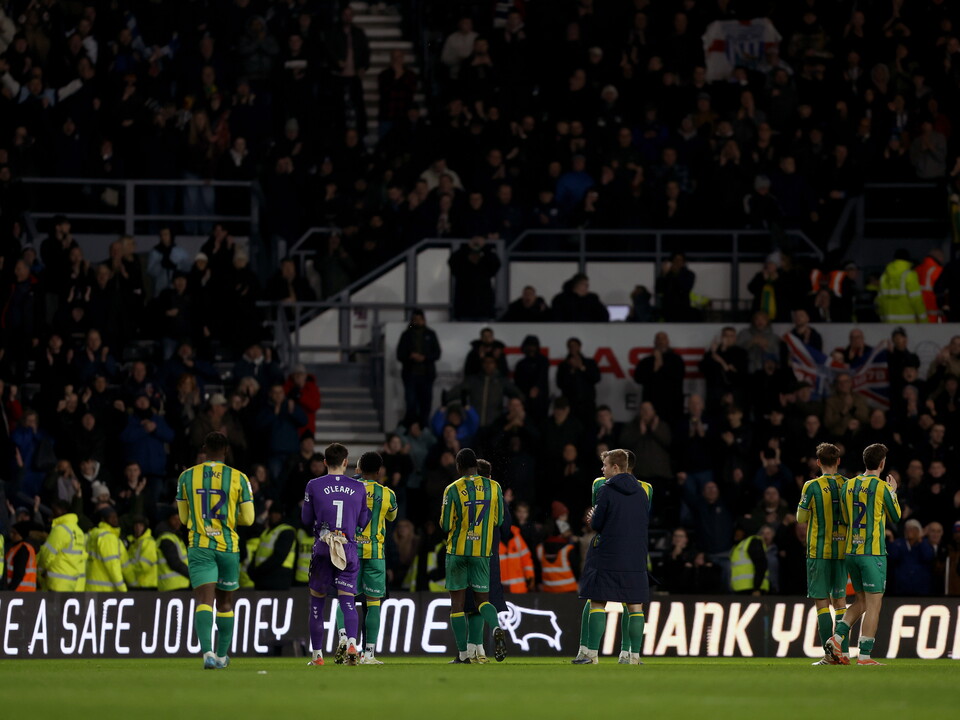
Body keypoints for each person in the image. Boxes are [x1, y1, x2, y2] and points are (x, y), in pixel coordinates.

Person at [176, 432, 255, 669]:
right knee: (225, 603)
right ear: (226, 451)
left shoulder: (186, 476)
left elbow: (183, 517)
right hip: (228, 547)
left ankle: (207, 652)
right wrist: (229, 519)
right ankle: (222, 656)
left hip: (200, 545)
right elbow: (249, 519)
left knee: (203, 600)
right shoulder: (239, 478)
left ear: (204, 449)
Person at [824, 443, 901, 666]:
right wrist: (893, 493)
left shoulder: (849, 485)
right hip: (872, 553)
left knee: (861, 601)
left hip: (851, 552)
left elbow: (847, 518)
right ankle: (865, 656)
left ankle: (836, 638)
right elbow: (895, 516)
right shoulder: (882, 488)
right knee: (874, 604)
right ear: (882, 463)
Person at [574, 449, 650, 665]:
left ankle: (590, 654)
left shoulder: (605, 489)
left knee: (597, 601)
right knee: (635, 606)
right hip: (635, 555)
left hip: (608, 553)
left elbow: (597, 523)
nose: (602, 469)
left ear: (615, 467)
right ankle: (632, 656)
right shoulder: (643, 491)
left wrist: (592, 517)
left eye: (605, 465)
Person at [302, 443, 371, 667]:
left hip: (323, 547)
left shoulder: (313, 485)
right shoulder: (359, 488)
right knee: (348, 602)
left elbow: (305, 519)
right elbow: (362, 522)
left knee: (317, 603)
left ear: (324, 462)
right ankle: (352, 643)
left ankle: (317, 656)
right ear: (345, 462)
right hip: (347, 548)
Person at [441, 448, 507, 664]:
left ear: (458, 467)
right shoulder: (494, 487)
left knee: (457, 604)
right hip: (482, 553)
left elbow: (445, 524)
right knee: (482, 601)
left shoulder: (452, 489)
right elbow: (499, 521)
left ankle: (463, 655)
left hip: (457, 552)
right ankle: (496, 626)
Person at [333, 452, 397, 665]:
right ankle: (368, 654)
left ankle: (345, 638)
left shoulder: (348, 490)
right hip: (376, 555)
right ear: (379, 471)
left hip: (350, 552)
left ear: (358, 468)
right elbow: (392, 516)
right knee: (374, 604)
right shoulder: (387, 493)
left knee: (346, 600)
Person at [797, 443, 851, 665]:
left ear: (818, 462)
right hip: (842, 551)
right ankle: (844, 653)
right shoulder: (848, 485)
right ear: (838, 461)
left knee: (822, 602)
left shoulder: (811, 486)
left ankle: (830, 656)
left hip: (817, 552)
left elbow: (800, 518)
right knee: (840, 602)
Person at [396, 310, 442, 425]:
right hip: (410, 375)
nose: (417, 322)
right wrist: (410, 356)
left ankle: (423, 428)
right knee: (411, 404)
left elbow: (437, 353)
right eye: (414, 320)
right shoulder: (406, 335)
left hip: (426, 375)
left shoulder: (430, 334)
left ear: (424, 320)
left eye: (419, 319)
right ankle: (411, 428)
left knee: (425, 404)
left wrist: (424, 358)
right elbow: (400, 354)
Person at [632, 332, 685, 423]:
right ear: (654, 342)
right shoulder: (646, 361)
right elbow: (638, 378)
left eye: (663, 339)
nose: (661, 342)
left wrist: (661, 364)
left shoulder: (676, 360)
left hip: (672, 406)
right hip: (652, 406)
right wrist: (656, 366)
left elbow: (679, 376)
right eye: (658, 339)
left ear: (668, 342)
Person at [37, 499, 86, 591]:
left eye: (55, 509)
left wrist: (40, 571)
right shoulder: (78, 531)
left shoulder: (60, 530)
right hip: (72, 582)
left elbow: (47, 554)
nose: (52, 512)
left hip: (56, 582)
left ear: (64, 511)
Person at [448, 237, 501, 320]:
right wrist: (468, 247)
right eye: (472, 253)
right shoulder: (462, 267)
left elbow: (496, 263)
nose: (475, 255)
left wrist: (484, 247)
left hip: (484, 311)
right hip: (464, 311)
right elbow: (452, 261)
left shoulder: (485, 266)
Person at [248, 504, 296, 590]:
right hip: (264, 578)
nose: (274, 516)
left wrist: (259, 570)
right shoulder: (267, 531)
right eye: (272, 513)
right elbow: (258, 552)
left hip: (278, 577)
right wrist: (252, 569)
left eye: (277, 513)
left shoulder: (286, 531)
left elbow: (278, 557)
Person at [876, 249, 927, 323]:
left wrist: (882, 317)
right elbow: (916, 300)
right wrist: (924, 321)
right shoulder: (910, 275)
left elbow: (879, 301)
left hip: (888, 322)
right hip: (908, 323)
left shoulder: (884, 277)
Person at [85, 507, 129, 592]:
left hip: (90, 587)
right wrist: (122, 589)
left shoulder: (93, 534)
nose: (115, 519)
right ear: (103, 519)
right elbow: (112, 566)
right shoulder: (108, 537)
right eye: (111, 517)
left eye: (116, 517)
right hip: (104, 590)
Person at [125, 515, 158, 590]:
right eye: (136, 525)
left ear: (145, 527)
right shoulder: (132, 543)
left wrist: (127, 571)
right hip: (136, 585)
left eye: (141, 525)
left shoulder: (149, 543)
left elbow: (144, 566)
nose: (138, 528)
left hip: (147, 585)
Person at [4, 522, 38, 591]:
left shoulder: (22, 549)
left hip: (19, 591)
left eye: (14, 533)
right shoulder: (23, 547)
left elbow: (19, 573)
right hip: (26, 591)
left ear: (21, 535)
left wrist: (10, 590)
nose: (11, 535)